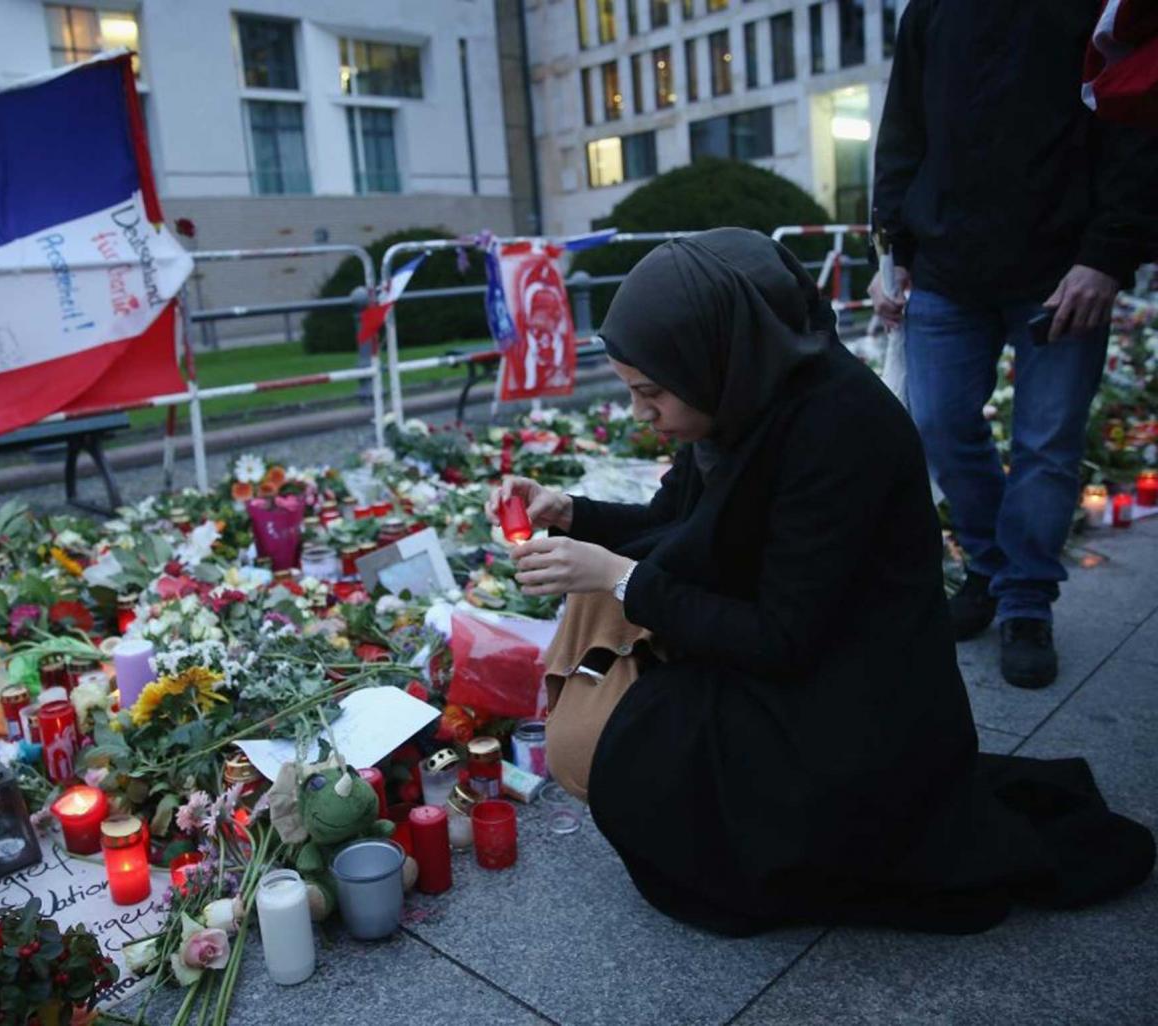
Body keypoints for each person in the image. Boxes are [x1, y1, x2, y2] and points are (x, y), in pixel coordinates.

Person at [488, 230, 1153, 936]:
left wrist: (621, 578)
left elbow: (784, 637)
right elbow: (672, 520)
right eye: (631, 390)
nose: (641, 413)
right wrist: (574, 514)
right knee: (599, 601)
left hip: (842, 713)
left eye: (650, 390)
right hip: (791, 665)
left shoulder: (840, 429)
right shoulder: (744, 396)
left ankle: (751, 838)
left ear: (714, 352)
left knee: (608, 737)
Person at [869, 0, 1158, 688]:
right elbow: (903, 125)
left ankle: (1025, 602)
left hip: (1063, 269)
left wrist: (1108, 257)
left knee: (1047, 446)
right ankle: (994, 568)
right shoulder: (931, 10)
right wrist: (893, 245)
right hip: (946, 263)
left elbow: (1135, 125)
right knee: (936, 423)